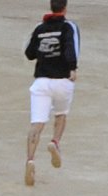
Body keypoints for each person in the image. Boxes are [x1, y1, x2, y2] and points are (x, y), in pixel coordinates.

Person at [24, 0, 77, 182]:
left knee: (37, 124)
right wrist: (73, 68)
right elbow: (71, 50)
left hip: (41, 82)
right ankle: (54, 141)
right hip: (62, 80)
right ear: (65, 8)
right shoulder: (68, 27)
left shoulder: (40, 28)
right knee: (60, 115)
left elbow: (29, 53)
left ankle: (30, 160)